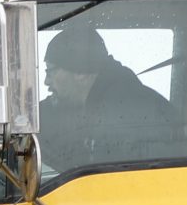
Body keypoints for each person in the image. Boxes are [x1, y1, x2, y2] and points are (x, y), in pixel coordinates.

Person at [38, 21, 175, 173]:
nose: (46, 81)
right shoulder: (102, 100)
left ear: (80, 73)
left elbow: (99, 180)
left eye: (50, 71)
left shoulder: (124, 116)